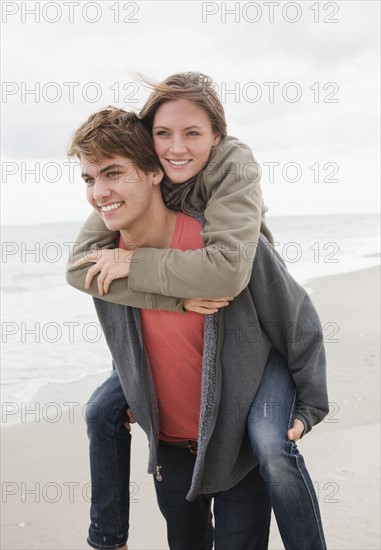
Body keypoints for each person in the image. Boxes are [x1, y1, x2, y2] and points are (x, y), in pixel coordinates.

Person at [67, 74, 328, 550]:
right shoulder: (106, 260)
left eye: (113, 174)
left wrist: (311, 404)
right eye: (89, 178)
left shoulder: (230, 216)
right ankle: (108, 539)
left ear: (152, 171)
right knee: (100, 410)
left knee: (270, 456)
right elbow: (118, 335)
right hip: (170, 451)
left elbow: (292, 317)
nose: (99, 191)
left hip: (236, 446)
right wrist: (176, 300)